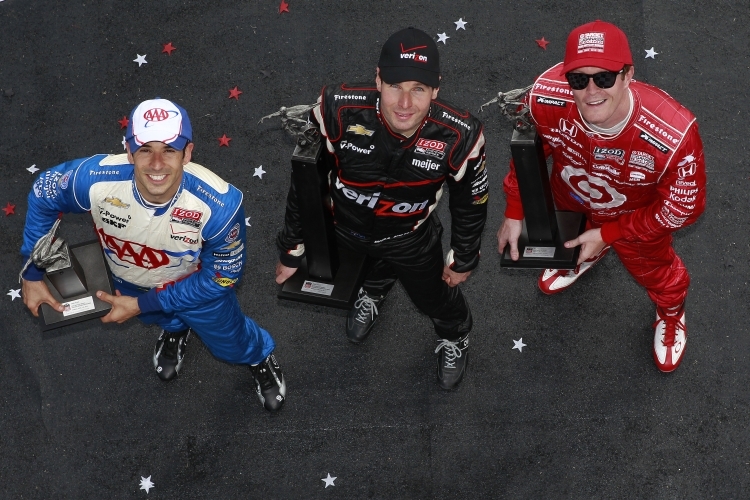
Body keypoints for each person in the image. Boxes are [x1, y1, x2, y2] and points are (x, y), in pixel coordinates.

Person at [20, 98, 286, 411]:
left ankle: (256, 357)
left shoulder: (219, 206)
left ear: (187, 153)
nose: (157, 163)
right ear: (129, 151)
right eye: (145, 149)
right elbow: (43, 193)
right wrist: (35, 271)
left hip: (197, 291)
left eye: (169, 150)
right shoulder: (94, 179)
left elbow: (222, 277)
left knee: (231, 342)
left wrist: (142, 304)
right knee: (164, 318)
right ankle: (175, 331)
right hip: (128, 279)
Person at [275, 27, 488, 390]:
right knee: (367, 271)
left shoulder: (461, 135)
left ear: (436, 89)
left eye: (418, 89)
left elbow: (471, 202)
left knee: (434, 299)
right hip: (343, 229)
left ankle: (455, 336)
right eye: (394, 86)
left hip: (411, 238)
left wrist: (464, 257)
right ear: (378, 79)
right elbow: (305, 182)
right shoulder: (335, 109)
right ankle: (372, 291)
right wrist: (292, 247)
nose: (405, 104)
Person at [497, 20, 706, 372]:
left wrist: (610, 233)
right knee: (571, 239)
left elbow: (682, 209)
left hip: (635, 220)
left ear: (628, 75)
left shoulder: (674, 135)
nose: (591, 90)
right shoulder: (546, 95)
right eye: (579, 79)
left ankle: (670, 315)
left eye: (605, 77)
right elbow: (529, 150)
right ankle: (587, 253)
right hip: (571, 198)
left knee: (657, 274)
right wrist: (516, 209)